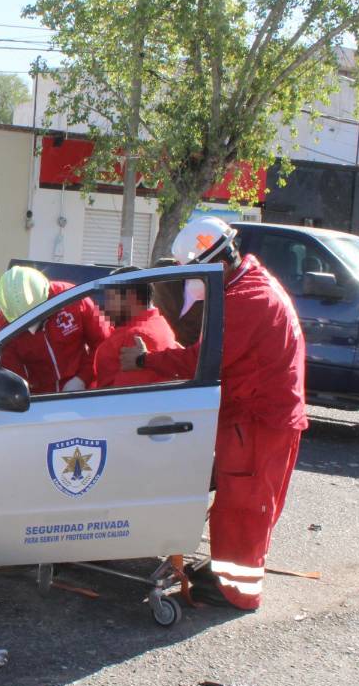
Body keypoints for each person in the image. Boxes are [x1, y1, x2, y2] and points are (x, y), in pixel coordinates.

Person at [120, 217, 306, 610]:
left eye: (197, 277)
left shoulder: (247, 301)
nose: (196, 286)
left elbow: (202, 361)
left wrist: (146, 359)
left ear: (217, 265)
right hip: (260, 418)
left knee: (243, 508)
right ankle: (229, 574)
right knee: (242, 507)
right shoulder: (249, 283)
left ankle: (236, 591)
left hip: (259, 422)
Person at [0, 265, 112, 393]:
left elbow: (104, 342)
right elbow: (11, 374)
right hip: (40, 399)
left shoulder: (73, 298)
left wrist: (82, 378)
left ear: (46, 296)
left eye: (36, 318)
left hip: (84, 391)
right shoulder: (3, 327)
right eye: (24, 324)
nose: (32, 329)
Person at [92, 266, 180, 389]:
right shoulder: (157, 322)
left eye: (111, 298)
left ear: (130, 297)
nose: (107, 305)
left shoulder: (136, 336)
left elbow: (127, 397)